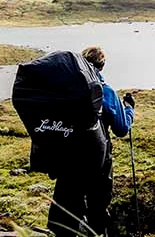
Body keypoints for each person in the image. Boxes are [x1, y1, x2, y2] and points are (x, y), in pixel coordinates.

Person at [48, 47, 136, 236]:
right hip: (98, 161)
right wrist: (129, 109)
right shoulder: (106, 92)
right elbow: (121, 128)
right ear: (102, 66)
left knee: (66, 208)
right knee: (97, 209)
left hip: (68, 159)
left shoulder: (66, 89)